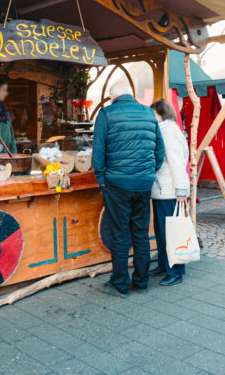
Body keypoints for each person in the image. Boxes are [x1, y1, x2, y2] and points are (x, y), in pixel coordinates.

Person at [93, 83, 164, 296]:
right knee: (141, 234)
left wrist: (102, 179)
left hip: (117, 184)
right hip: (143, 183)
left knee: (120, 234)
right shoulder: (148, 113)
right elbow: (159, 150)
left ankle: (121, 284)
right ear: (131, 95)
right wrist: (149, 171)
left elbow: (98, 152)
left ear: (112, 96)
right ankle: (141, 282)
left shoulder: (106, 114)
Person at [148, 99, 190, 287]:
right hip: (161, 189)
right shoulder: (165, 129)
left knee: (171, 232)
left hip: (169, 190)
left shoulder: (169, 131)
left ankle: (176, 270)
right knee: (161, 231)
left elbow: (177, 162)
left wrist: (181, 190)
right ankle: (164, 265)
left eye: (153, 112)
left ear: (160, 113)